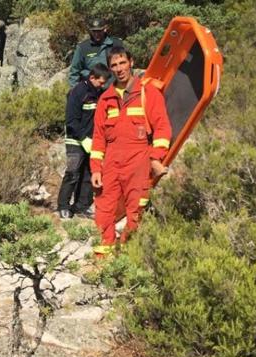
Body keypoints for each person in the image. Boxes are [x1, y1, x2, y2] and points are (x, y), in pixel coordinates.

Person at [90, 47, 171, 256]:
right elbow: (98, 138)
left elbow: (162, 129)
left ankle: (128, 255)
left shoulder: (147, 93)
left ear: (131, 62)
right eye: (114, 65)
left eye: (122, 63)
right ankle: (103, 256)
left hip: (138, 161)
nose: (119, 69)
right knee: (104, 209)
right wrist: (96, 169)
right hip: (111, 163)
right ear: (110, 69)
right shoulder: (106, 99)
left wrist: (155, 158)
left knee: (136, 209)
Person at [57, 63, 111, 220]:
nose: (102, 86)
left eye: (104, 83)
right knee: (73, 173)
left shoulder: (99, 93)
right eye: (100, 82)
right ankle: (63, 206)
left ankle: (81, 206)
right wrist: (83, 139)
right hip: (75, 140)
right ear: (92, 77)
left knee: (89, 173)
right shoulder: (78, 92)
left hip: (93, 141)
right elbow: (72, 121)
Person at [68, 18, 123, 88]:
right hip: (91, 92)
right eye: (94, 31)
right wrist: (75, 93)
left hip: (114, 88)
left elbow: (126, 66)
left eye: (99, 31)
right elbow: (74, 73)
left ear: (105, 29)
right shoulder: (83, 47)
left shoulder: (116, 43)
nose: (96, 34)